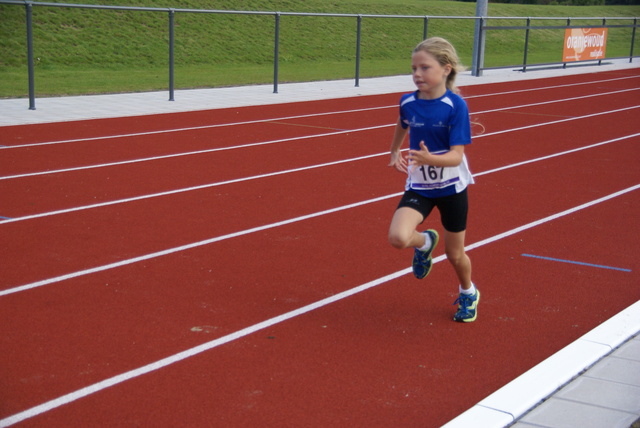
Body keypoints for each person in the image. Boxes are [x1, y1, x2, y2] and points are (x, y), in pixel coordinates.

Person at [387, 37, 479, 323]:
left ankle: (468, 292)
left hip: (451, 188)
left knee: (455, 254)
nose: (417, 74)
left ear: (446, 69)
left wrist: (430, 160)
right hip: (421, 186)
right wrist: (394, 149)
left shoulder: (455, 106)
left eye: (424, 68)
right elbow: (403, 123)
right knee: (398, 237)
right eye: (414, 68)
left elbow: (455, 156)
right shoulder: (408, 101)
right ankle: (425, 243)